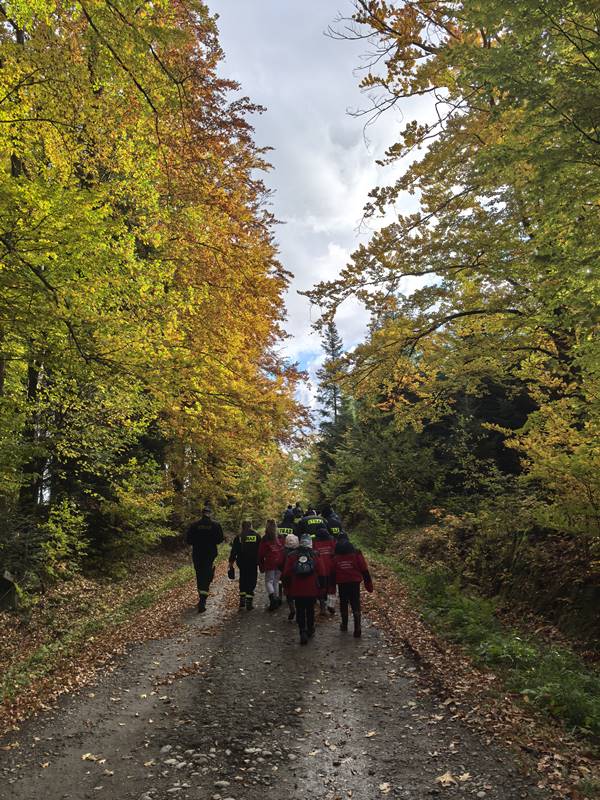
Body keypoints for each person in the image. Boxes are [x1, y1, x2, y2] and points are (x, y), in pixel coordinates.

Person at [282, 534, 327, 645]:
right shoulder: (315, 555)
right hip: (311, 588)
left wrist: (286, 588)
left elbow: (286, 574)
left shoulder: (292, 555)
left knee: (300, 609)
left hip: (297, 588)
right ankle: (310, 628)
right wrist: (322, 588)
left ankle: (302, 631)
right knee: (310, 609)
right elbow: (322, 572)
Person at [331, 533, 373, 637]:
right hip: (354, 582)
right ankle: (357, 628)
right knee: (355, 603)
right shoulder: (356, 553)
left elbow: (332, 571)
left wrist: (331, 587)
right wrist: (368, 584)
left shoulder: (335, 555)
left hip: (342, 582)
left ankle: (344, 625)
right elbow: (364, 569)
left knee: (343, 603)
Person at [185, 506, 224, 613]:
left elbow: (188, 540)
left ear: (202, 513)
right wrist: (211, 541)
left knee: (199, 574)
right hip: (210, 553)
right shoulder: (215, 525)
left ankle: (201, 597)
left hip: (197, 553)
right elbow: (220, 539)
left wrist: (198, 542)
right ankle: (203, 600)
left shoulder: (194, 525)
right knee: (206, 574)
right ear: (210, 513)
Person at [228, 520, 261, 611]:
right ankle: (249, 602)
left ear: (242, 527)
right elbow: (260, 550)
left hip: (242, 562)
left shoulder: (239, 537)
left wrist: (231, 562)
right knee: (252, 580)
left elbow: (234, 551)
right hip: (253, 562)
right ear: (251, 526)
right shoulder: (256, 536)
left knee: (243, 579)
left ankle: (242, 599)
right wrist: (261, 561)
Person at [258, 519, 284, 611]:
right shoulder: (280, 536)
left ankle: (273, 599)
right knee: (275, 581)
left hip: (270, 562)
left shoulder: (265, 538)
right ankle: (276, 598)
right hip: (280, 561)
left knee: (269, 581)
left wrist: (261, 563)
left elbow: (261, 552)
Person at [313, 525, 336, 615]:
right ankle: (331, 605)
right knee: (331, 587)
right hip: (331, 568)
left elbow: (313, 554)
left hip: (320, 569)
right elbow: (334, 552)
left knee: (321, 588)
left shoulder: (315, 541)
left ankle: (322, 607)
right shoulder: (331, 540)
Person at [281, 532, 299, 621]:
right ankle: (299, 611)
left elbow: (280, 563)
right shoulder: (299, 553)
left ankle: (292, 609)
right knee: (298, 594)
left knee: (288, 594)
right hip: (297, 576)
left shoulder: (284, 552)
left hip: (286, 576)